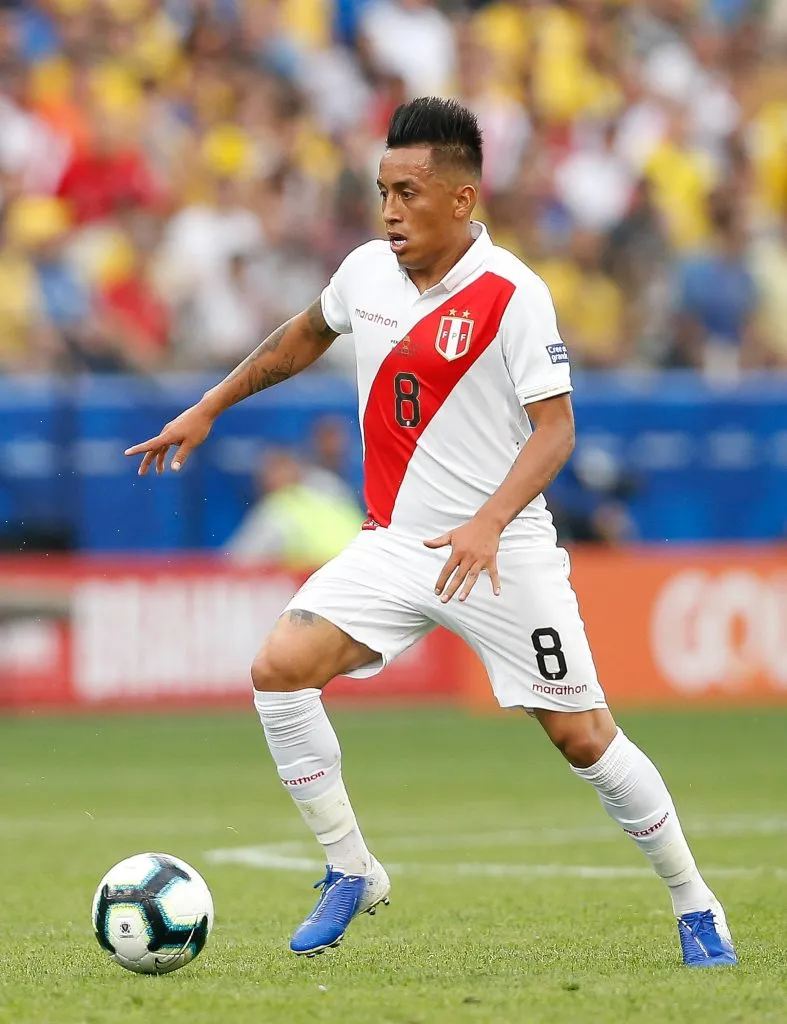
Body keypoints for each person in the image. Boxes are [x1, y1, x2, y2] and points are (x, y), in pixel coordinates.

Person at [125, 97, 737, 967]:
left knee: (583, 738)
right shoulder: (367, 272)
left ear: (460, 198)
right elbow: (304, 334)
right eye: (381, 190)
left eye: (408, 192)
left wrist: (488, 522)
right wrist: (209, 406)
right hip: (391, 543)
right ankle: (351, 869)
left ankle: (694, 902)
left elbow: (555, 429)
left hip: (500, 552)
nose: (389, 211)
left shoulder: (512, 294)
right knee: (278, 671)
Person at [226, 447, 364, 568]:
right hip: (362, 568)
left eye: (271, 471)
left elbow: (239, 560)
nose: (263, 479)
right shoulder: (332, 486)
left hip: (319, 579)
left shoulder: (279, 506)